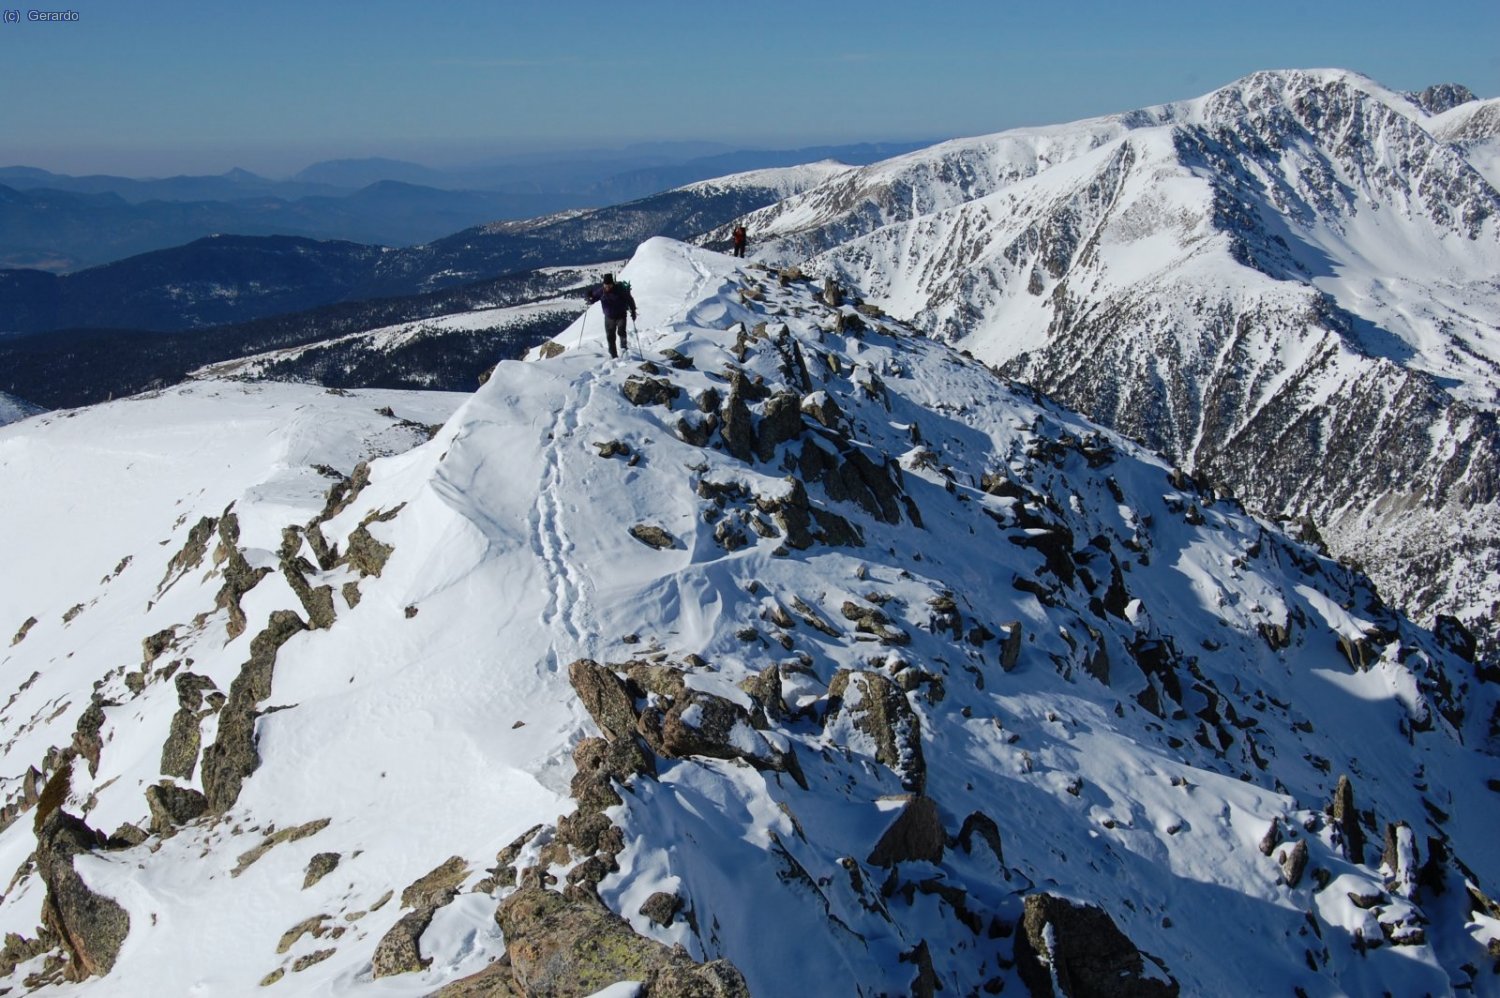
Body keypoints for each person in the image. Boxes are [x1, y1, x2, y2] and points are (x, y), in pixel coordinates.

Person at [586, 273, 637, 358]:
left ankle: (624, 350)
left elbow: (629, 299)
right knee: (610, 337)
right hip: (609, 318)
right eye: (605, 285)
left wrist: (633, 311)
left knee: (621, 331)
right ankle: (614, 356)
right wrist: (589, 296)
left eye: (609, 285)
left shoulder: (619, 290)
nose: (607, 287)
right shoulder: (601, 291)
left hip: (621, 315)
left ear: (612, 284)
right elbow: (592, 300)